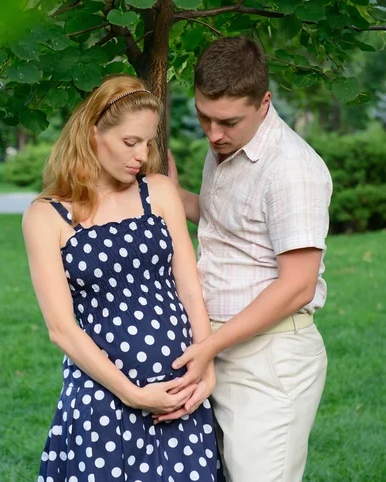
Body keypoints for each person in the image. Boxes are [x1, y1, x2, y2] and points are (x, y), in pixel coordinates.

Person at [23, 74, 224, 481]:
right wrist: (133, 394)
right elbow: (62, 329)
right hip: (104, 397)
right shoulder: (47, 216)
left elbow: (188, 286)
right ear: (93, 134)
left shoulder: (160, 191)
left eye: (147, 143)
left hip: (180, 391)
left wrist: (205, 365)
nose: (140, 155)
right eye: (129, 142)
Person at [157, 36, 332, 482]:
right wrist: (160, 172)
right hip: (215, 346)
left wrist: (210, 347)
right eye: (203, 117)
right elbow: (221, 222)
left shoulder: (291, 169)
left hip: (268, 359)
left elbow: (298, 285)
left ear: (264, 102)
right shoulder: (229, 148)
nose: (213, 134)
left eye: (228, 122)